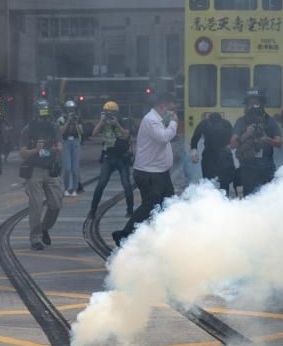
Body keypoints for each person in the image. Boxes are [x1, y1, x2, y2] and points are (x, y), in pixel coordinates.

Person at [112, 92, 178, 245]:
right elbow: (163, 137)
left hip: (160, 172)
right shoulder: (151, 120)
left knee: (168, 203)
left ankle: (160, 236)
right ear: (163, 106)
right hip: (149, 173)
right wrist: (174, 123)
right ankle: (124, 234)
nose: (173, 113)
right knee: (150, 206)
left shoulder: (158, 119)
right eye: (171, 109)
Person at [20, 98, 63, 249]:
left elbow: (59, 147)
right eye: (41, 113)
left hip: (51, 169)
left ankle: (44, 228)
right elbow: (23, 153)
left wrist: (53, 148)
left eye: (46, 113)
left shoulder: (54, 127)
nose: (44, 117)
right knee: (36, 206)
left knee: (56, 204)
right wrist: (37, 149)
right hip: (35, 170)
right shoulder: (28, 129)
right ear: (36, 113)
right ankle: (35, 239)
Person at [231, 88, 283, 197]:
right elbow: (233, 144)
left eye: (256, 103)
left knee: (269, 198)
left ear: (262, 104)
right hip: (248, 167)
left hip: (267, 167)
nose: (253, 106)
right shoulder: (241, 121)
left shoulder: (270, 121)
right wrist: (246, 134)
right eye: (250, 103)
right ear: (246, 105)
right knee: (250, 199)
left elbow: (279, 143)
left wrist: (267, 139)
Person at [87, 100, 134, 219]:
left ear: (117, 113)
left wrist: (116, 123)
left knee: (126, 184)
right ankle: (92, 210)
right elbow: (93, 133)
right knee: (101, 184)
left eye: (111, 113)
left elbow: (126, 134)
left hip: (122, 158)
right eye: (107, 113)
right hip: (109, 157)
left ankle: (130, 210)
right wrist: (102, 121)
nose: (109, 115)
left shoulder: (124, 121)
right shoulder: (104, 123)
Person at [190, 111, 235, 196]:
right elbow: (195, 138)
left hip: (216, 155)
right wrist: (194, 150)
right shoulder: (224, 123)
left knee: (215, 182)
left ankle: (217, 201)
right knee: (215, 182)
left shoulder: (205, 123)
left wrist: (194, 150)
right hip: (216, 155)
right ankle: (217, 201)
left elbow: (194, 138)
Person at [59, 99, 83, 196]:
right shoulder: (61, 119)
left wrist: (76, 122)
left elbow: (81, 132)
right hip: (66, 143)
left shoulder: (78, 118)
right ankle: (66, 188)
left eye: (72, 109)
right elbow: (61, 132)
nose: (70, 111)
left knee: (75, 167)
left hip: (76, 142)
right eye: (69, 109)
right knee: (67, 167)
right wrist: (68, 121)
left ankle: (74, 188)